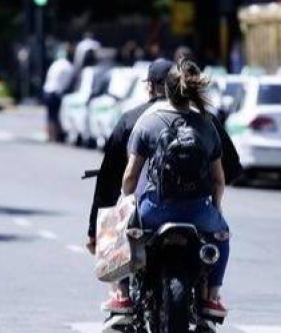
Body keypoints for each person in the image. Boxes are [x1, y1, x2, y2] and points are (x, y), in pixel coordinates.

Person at [87, 59, 241, 250]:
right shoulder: (206, 122)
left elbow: (113, 178)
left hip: (152, 211)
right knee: (222, 238)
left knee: (123, 268)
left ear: (151, 87)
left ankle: (126, 281)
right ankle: (215, 281)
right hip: (198, 211)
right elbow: (230, 170)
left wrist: (97, 230)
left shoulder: (139, 121)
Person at [121, 59, 231, 319]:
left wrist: (124, 201)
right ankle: (212, 296)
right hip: (197, 213)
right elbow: (218, 180)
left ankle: (123, 294)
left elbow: (130, 176)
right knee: (223, 234)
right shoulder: (206, 126)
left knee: (125, 232)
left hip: (155, 210)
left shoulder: (148, 123)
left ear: (165, 91)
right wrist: (215, 209)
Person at [42, 43, 74, 142]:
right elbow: (69, 82)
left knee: (50, 115)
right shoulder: (68, 66)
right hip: (56, 92)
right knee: (56, 115)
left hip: (47, 90)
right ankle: (56, 136)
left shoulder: (55, 64)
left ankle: (50, 135)